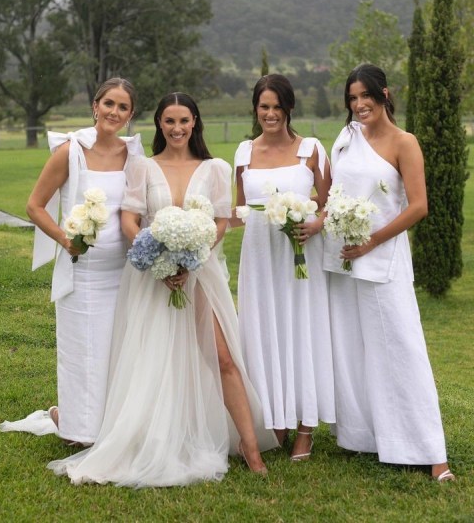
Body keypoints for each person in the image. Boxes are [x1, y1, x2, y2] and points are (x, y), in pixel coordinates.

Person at [47, 92, 278, 487]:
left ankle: (252, 449)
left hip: (201, 274)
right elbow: (130, 221)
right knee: (151, 360)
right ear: (159, 125)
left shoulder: (215, 168)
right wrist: (157, 258)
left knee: (223, 358)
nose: (176, 128)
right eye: (169, 121)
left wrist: (194, 255)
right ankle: (152, 438)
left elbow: (221, 221)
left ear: (194, 123)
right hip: (153, 278)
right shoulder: (142, 168)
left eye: (184, 121)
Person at [323, 63, 454, 482]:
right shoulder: (346, 139)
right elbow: (332, 194)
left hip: (383, 259)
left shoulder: (404, 142)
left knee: (402, 348)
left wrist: (373, 241)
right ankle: (368, 436)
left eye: (366, 96)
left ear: (385, 94)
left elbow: (418, 205)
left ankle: (432, 453)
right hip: (342, 258)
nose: (359, 105)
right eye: (352, 98)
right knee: (352, 349)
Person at [1, 78, 144, 446]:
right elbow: (34, 206)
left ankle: (109, 423)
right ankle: (78, 428)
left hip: (123, 271)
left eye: (123, 107)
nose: (114, 112)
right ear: (95, 106)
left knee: (118, 351)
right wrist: (66, 240)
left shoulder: (134, 155)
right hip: (83, 274)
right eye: (108, 103)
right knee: (83, 352)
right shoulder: (71, 151)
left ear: (131, 115)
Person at [232, 74, 335, 461]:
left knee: (302, 331)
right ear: (255, 109)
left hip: (300, 259)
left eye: (277, 107)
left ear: (289, 108)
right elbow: (240, 210)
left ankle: (305, 427)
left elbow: (329, 202)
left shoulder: (311, 149)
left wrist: (316, 223)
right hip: (259, 259)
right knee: (263, 333)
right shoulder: (243, 153)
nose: (270, 114)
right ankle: (274, 417)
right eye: (264, 107)